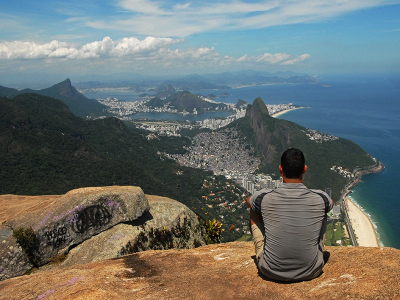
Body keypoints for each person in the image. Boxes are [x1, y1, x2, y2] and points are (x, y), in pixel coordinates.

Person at [246, 148, 333, 282]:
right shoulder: (320, 197)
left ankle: (261, 246)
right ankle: (315, 250)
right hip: (312, 270)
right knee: (323, 210)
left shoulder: (264, 197)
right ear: (304, 169)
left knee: (254, 208)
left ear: (281, 169)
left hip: (270, 270)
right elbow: (331, 203)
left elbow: (248, 201)